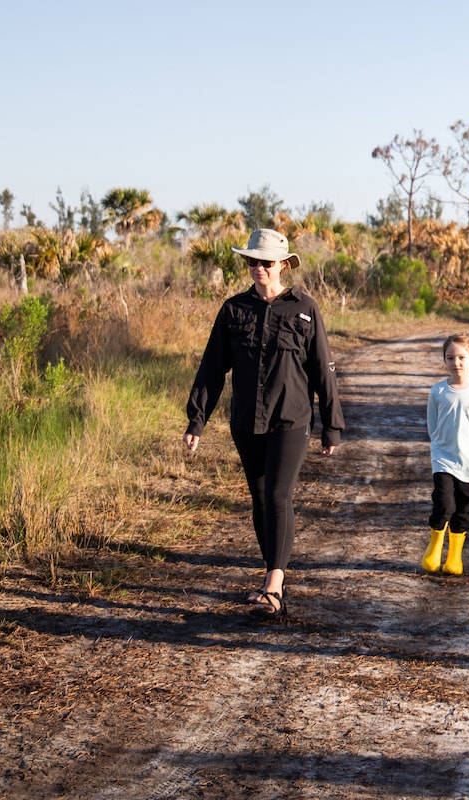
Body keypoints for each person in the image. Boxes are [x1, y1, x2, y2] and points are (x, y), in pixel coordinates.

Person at [184, 228, 344, 619]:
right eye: (252, 261)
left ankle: (274, 584)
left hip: (291, 419)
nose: (258, 268)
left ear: (283, 265)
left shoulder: (304, 309)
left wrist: (331, 424)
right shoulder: (233, 310)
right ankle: (272, 574)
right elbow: (211, 368)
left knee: (277, 496)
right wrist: (196, 420)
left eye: (266, 262)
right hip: (246, 421)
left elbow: (322, 368)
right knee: (260, 499)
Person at [420, 332, 469, 576]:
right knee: (443, 504)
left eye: (461, 357)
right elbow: (433, 424)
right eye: (450, 358)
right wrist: (440, 445)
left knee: (464, 508)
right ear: (445, 360)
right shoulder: (438, 391)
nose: (456, 363)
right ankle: (434, 548)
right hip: (443, 458)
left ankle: (454, 558)